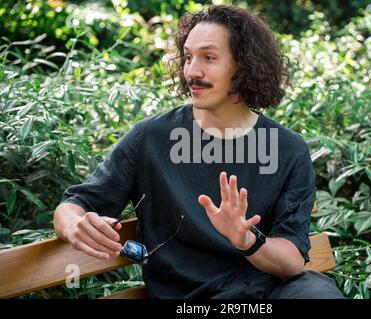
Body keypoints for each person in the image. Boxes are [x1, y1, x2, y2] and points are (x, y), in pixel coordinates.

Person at [53, 5, 344, 299]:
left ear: (244, 66)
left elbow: (292, 261)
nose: (192, 71)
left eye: (209, 57)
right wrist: (75, 225)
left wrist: (246, 240)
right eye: (188, 57)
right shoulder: (151, 139)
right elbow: (75, 204)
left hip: (275, 291)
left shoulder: (287, 149)